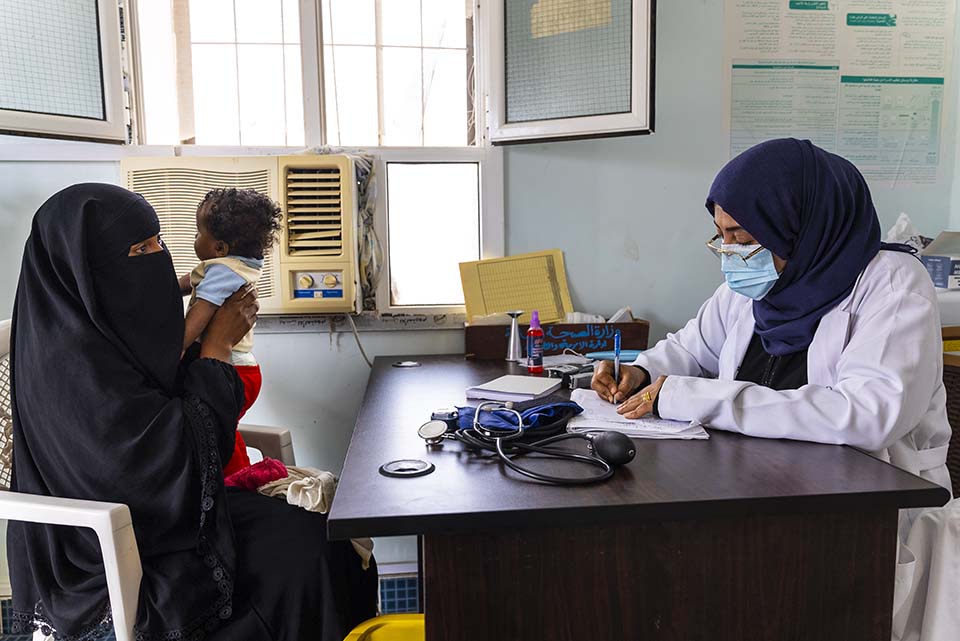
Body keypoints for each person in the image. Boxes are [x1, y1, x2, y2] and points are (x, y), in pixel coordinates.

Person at [591, 138, 955, 640]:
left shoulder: (892, 286)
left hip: (862, 515)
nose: (731, 253)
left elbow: (868, 417)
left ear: (800, 227)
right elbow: (693, 348)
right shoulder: (753, 288)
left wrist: (692, 396)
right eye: (720, 236)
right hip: (753, 492)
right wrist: (643, 371)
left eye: (742, 236)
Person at [8, 184, 377, 641]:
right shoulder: (65, 361)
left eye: (158, 241)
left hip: (174, 509)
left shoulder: (105, 325)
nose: (158, 256)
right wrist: (217, 349)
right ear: (88, 269)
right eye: (140, 248)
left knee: (328, 535)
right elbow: (146, 467)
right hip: (119, 542)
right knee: (302, 555)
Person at [178, 188, 282, 477]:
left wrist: (179, 346)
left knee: (221, 426)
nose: (194, 239)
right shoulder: (235, 265)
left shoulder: (224, 272)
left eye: (199, 234)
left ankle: (236, 477)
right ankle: (238, 473)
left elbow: (202, 312)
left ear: (220, 248)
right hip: (243, 368)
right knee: (227, 425)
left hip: (233, 371)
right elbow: (192, 280)